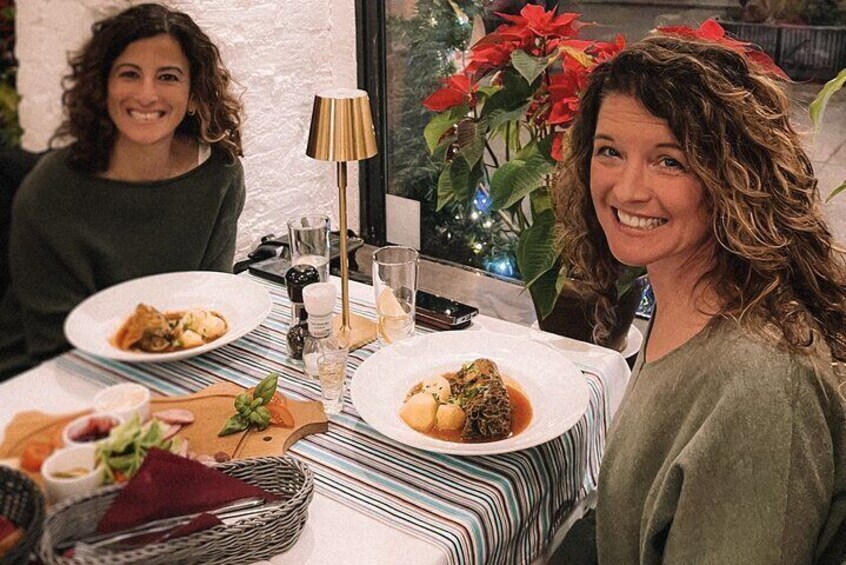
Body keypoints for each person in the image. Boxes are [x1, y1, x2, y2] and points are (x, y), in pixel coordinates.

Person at [552, 22, 846, 564]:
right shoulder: (678, 296)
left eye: (670, 161)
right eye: (609, 151)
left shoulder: (760, 387)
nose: (627, 189)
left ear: (733, 178)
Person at [0, 3, 245, 379]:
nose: (147, 94)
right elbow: (57, 346)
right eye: (130, 74)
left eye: (168, 77)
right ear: (103, 88)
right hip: (45, 376)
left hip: (168, 365)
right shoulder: (51, 191)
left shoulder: (219, 174)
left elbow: (209, 302)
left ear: (194, 94)